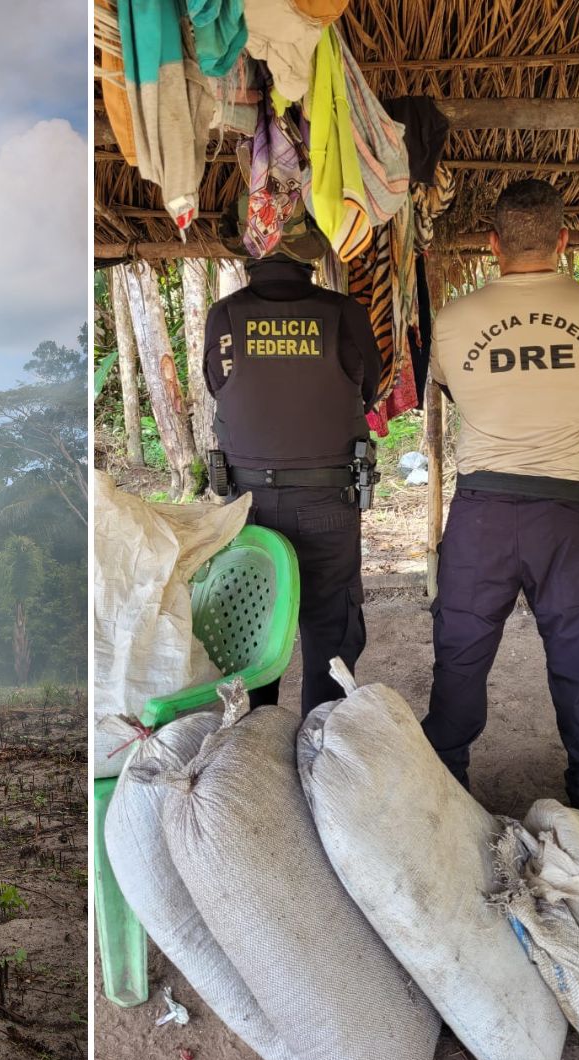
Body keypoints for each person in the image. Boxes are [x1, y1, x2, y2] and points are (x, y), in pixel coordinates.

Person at [421, 179, 579, 817]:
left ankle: (443, 798)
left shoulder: (455, 319)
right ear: (562, 240)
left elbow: (451, 391)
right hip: (566, 516)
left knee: (459, 659)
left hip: (481, 514)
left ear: (492, 245)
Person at [204, 200, 383, 715]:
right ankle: (321, 744)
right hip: (327, 502)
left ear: (251, 253)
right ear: (309, 253)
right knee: (332, 634)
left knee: (253, 632)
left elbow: (220, 388)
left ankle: (255, 748)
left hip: (248, 510)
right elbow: (365, 391)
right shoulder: (345, 315)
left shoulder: (225, 317)